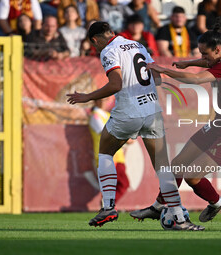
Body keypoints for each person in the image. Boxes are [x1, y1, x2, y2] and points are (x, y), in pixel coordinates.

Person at [67, 21, 204, 231]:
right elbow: (156, 79)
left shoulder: (108, 51)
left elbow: (116, 84)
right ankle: (179, 217)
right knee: (163, 166)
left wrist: (87, 97)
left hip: (128, 111)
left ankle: (108, 207)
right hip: (152, 111)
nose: (96, 48)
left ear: (95, 40)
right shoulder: (138, 46)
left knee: (104, 153)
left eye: (94, 45)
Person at [130, 17, 221, 223]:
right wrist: (188, 63)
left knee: (192, 176)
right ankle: (158, 206)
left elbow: (197, 80)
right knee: (178, 164)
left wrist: (165, 70)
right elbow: (207, 62)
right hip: (219, 125)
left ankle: (217, 203)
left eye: (205, 53)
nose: (203, 57)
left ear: (217, 49)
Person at [89, 99, 130, 202]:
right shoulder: (95, 116)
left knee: (121, 184)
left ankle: (108, 204)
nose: (103, 102)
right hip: (107, 155)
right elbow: (106, 133)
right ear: (96, 101)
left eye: (105, 99)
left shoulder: (107, 115)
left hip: (117, 155)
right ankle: (108, 204)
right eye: (101, 99)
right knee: (119, 183)